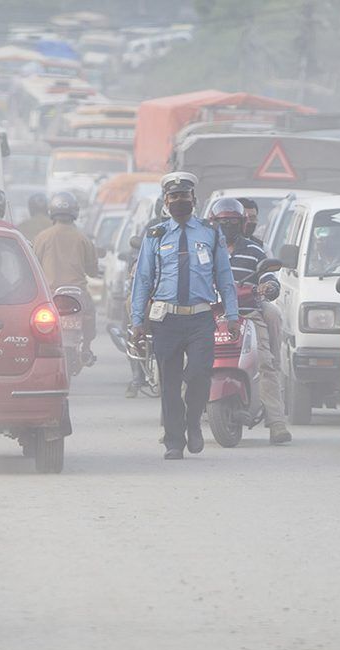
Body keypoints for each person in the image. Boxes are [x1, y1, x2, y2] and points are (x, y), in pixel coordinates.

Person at [130, 172, 239, 460]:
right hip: (166, 319)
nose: (180, 201)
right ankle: (174, 441)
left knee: (200, 374)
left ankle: (193, 423)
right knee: (169, 382)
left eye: (184, 196)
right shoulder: (156, 235)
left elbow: (224, 276)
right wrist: (137, 321)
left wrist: (233, 314)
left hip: (200, 318)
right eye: (174, 196)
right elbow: (142, 279)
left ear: (194, 199)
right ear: (166, 201)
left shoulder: (209, 232)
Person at [212, 197, 291, 445]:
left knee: (266, 363)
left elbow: (269, 276)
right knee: (190, 362)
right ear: (214, 223)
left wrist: (269, 286)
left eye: (233, 221)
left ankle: (277, 422)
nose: (228, 226)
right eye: (223, 222)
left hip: (248, 314)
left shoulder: (255, 251)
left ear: (242, 223)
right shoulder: (204, 251)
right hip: (211, 317)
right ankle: (183, 422)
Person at [33, 192, 100, 364]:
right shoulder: (83, 238)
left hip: (50, 295)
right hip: (77, 295)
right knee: (90, 313)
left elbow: (34, 266)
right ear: (75, 212)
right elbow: (92, 270)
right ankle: (86, 348)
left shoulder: (42, 237)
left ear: (51, 212)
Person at [124, 199, 170, 398]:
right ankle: (137, 374)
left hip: (180, 303)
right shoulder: (152, 232)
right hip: (153, 299)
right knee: (133, 312)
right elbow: (140, 278)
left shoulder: (195, 237)